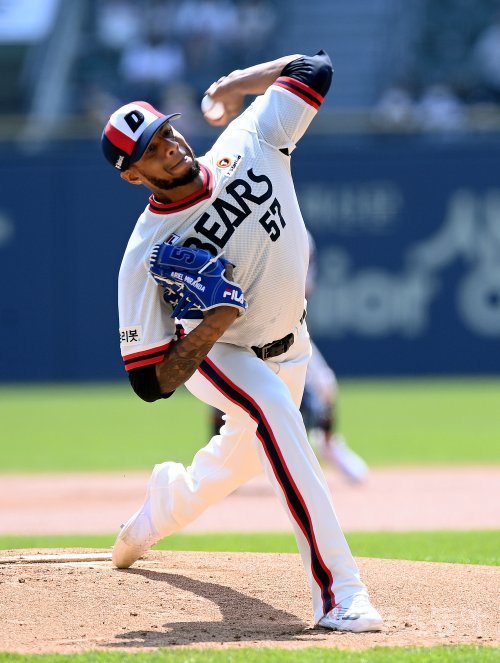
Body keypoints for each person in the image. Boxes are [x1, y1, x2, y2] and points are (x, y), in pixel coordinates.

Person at [101, 50, 383, 632]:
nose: (169, 147)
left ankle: (159, 510)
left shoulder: (250, 138)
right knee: (276, 410)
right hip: (222, 354)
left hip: (294, 344)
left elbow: (315, 67)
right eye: (150, 150)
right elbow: (148, 382)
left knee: (235, 462)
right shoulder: (144, 253)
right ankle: (339, 592)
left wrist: (234, 84)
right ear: (133, 176)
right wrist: (212, 326)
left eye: (166, 133)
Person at [211, 230, 369, 483]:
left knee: (324, 385)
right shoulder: (241, 233)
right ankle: (220, 463)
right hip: (241, 330)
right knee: (221, 397)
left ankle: (328, 445)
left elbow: (302, 293)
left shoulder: (302, 238)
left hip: (285, 329)